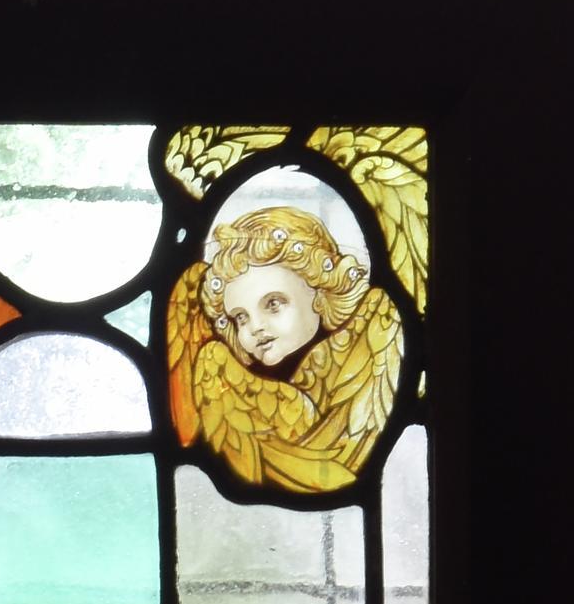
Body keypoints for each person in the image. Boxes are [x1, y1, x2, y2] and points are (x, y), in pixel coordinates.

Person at [168, 202, 403, 494]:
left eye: (273, 304)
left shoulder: (379, 331)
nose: (254, 327)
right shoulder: (223, 369)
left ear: (319, 293)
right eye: (240, 317)